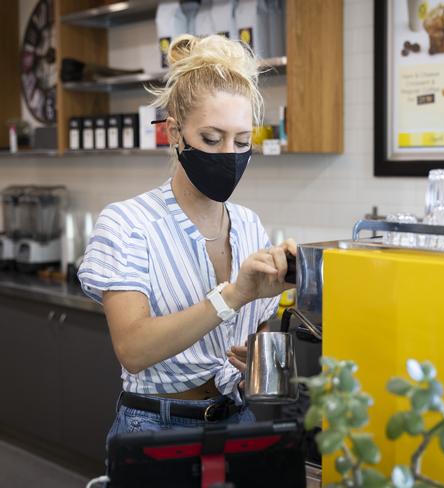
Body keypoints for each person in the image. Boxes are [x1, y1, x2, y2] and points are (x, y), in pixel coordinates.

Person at [78, 34, 296, 443]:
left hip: (240, 419)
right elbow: (134, 349)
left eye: (243, 141)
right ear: (176, 133)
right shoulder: (128, 223)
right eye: (212, 139)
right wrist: (232, 296)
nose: (229, 153)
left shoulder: (249, 225)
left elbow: (261, 326)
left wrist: (261, 353)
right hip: (157, 426)